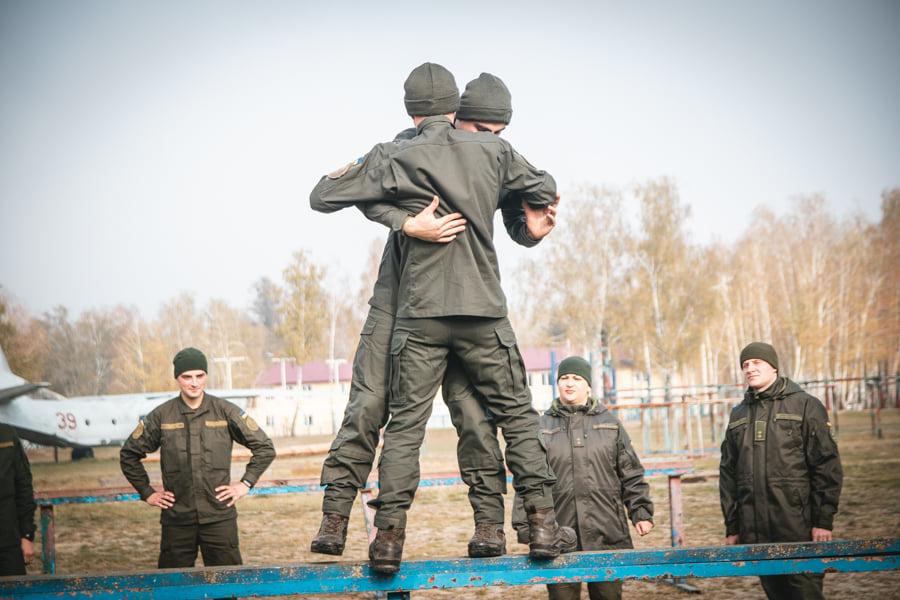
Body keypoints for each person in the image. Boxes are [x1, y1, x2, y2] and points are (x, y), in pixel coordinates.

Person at [310, 62, 575, 574]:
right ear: (456, 115)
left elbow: (514, 218)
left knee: (467, 419)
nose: (490, 138)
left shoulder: (475, 152)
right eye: (483, 128)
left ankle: (483, 527)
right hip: (405, 302)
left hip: (438, 311)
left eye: (499, 132)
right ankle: (336, 518)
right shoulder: (407, 149)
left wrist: (533, 231)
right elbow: (336, 194)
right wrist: (407, 222)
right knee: (371, 406)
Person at [120, 347, 275, 568]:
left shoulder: (225, 411)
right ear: (177, 378)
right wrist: (147, 493)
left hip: (219, 518)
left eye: (199, 376)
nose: (194, 383)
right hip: (177, 520)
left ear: (206, 376)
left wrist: (245, 484)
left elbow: (265, 447)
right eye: (187, 377)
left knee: (227, 582)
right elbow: (128, 455)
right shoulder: (162, 416)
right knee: (173, 584)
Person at [513, 356, 653, 600]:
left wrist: (640, 511)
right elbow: (528, 481)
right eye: (564, 378)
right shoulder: (540, 427)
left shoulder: (610, 424)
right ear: (557, 383)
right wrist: (527, 529)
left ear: (588, 385)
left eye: (577, 378)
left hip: (607, 530)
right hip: (557, 533)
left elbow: (630, 472)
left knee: (608, 596)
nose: (570, 383)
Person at [719, 342, 843, 600]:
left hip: (797, 526)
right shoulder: (738, 414)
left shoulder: (805, 405)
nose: (750, 369)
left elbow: (826, 465)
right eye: (745, 364)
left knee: (805, 593)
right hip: (756, 531)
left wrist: (822, 521)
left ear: (773, 367)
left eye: (757, 362)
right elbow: (728, 474)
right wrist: (733, 526)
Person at [0, 423, 36, 576]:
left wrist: (26, 535)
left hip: (8, 541)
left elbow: (23, 486)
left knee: (15, 588)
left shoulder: (7, 436)